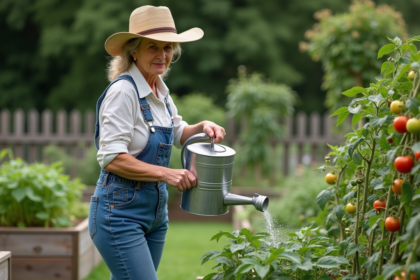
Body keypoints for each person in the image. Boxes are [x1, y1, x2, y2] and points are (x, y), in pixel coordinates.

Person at [88, 5, 226, 280]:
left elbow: (177, 132)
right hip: (119, 215)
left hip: (155, 216)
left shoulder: (160, 91)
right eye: (153, 47)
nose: (163, 55)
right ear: (134, 51)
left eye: (168, 47)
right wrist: (168, 173)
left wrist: (202, 127)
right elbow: (112, 158)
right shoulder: (123, 92)